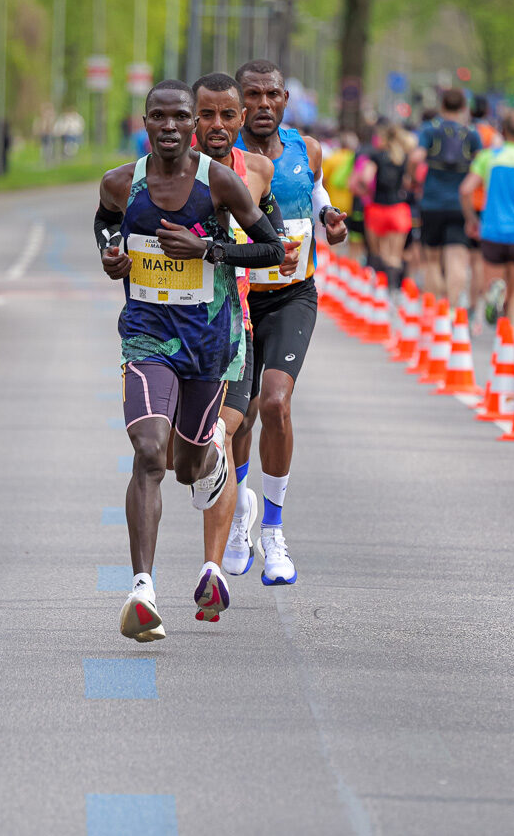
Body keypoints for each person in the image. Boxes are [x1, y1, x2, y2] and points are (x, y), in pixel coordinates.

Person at [95, 80, 287, 641]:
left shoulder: (219, 182)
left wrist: (210, 250)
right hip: (147, 336)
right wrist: (110, 252)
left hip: (208, 342)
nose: (172, 126)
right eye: (160, 117)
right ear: (147, 122)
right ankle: (142, 590)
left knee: (187, 466)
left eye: (181, 117)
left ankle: (216, 465)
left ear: (193, 125)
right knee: (150, 451)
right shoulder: (121, 182)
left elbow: (272, 248)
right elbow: (105, 220)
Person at [227, 59, 349, 587]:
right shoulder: (223, 157)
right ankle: (238, 517)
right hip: (235, 298)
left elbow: (316, 190)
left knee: (274, 401)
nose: (263, 105)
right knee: (241, 414)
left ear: (285, 99)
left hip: (292, 294)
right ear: (238, 102)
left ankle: (273, 532)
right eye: (251, 95)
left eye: (272, 94)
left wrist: (328, 216)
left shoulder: (306, 149)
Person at [190, 72, 298, 615]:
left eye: (225, 116)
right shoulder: (161, 171)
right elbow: (121, 224)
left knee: (222, 437)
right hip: (171, 331)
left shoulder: (256, 170)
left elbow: (274, 246)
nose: (216, 126)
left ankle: (216, 564)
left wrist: (217, 252)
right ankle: (241, 504)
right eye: (204, 115)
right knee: (184, 458)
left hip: (236, 322)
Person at [460, 108, 514, 329]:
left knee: (494, 280)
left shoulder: (488, 156)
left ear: (502, 130)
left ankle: (495, 291)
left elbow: (465, 190)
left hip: (492, 229)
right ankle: (509, 339)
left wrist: (471, 219)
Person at [416, 90, 483, 305]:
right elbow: (480, 165)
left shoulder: (429, 130)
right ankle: (454, 309)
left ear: (442, 106)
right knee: (457, 259)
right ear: (464, 107)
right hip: (459, 205)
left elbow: (416, 156)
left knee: (433, 260)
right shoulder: (471, 133)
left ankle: (436, 309)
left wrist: (412, 178)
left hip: (432, 202)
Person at [355, 124, 421, 291]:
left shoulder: (376, 156)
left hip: (377, 209)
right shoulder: (404, 158)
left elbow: (365, 177)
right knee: (395, 254)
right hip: (398, 209)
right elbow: (410, 182)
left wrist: (367, 191)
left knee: (377, 252)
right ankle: (393, 289)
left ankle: (378, 289)